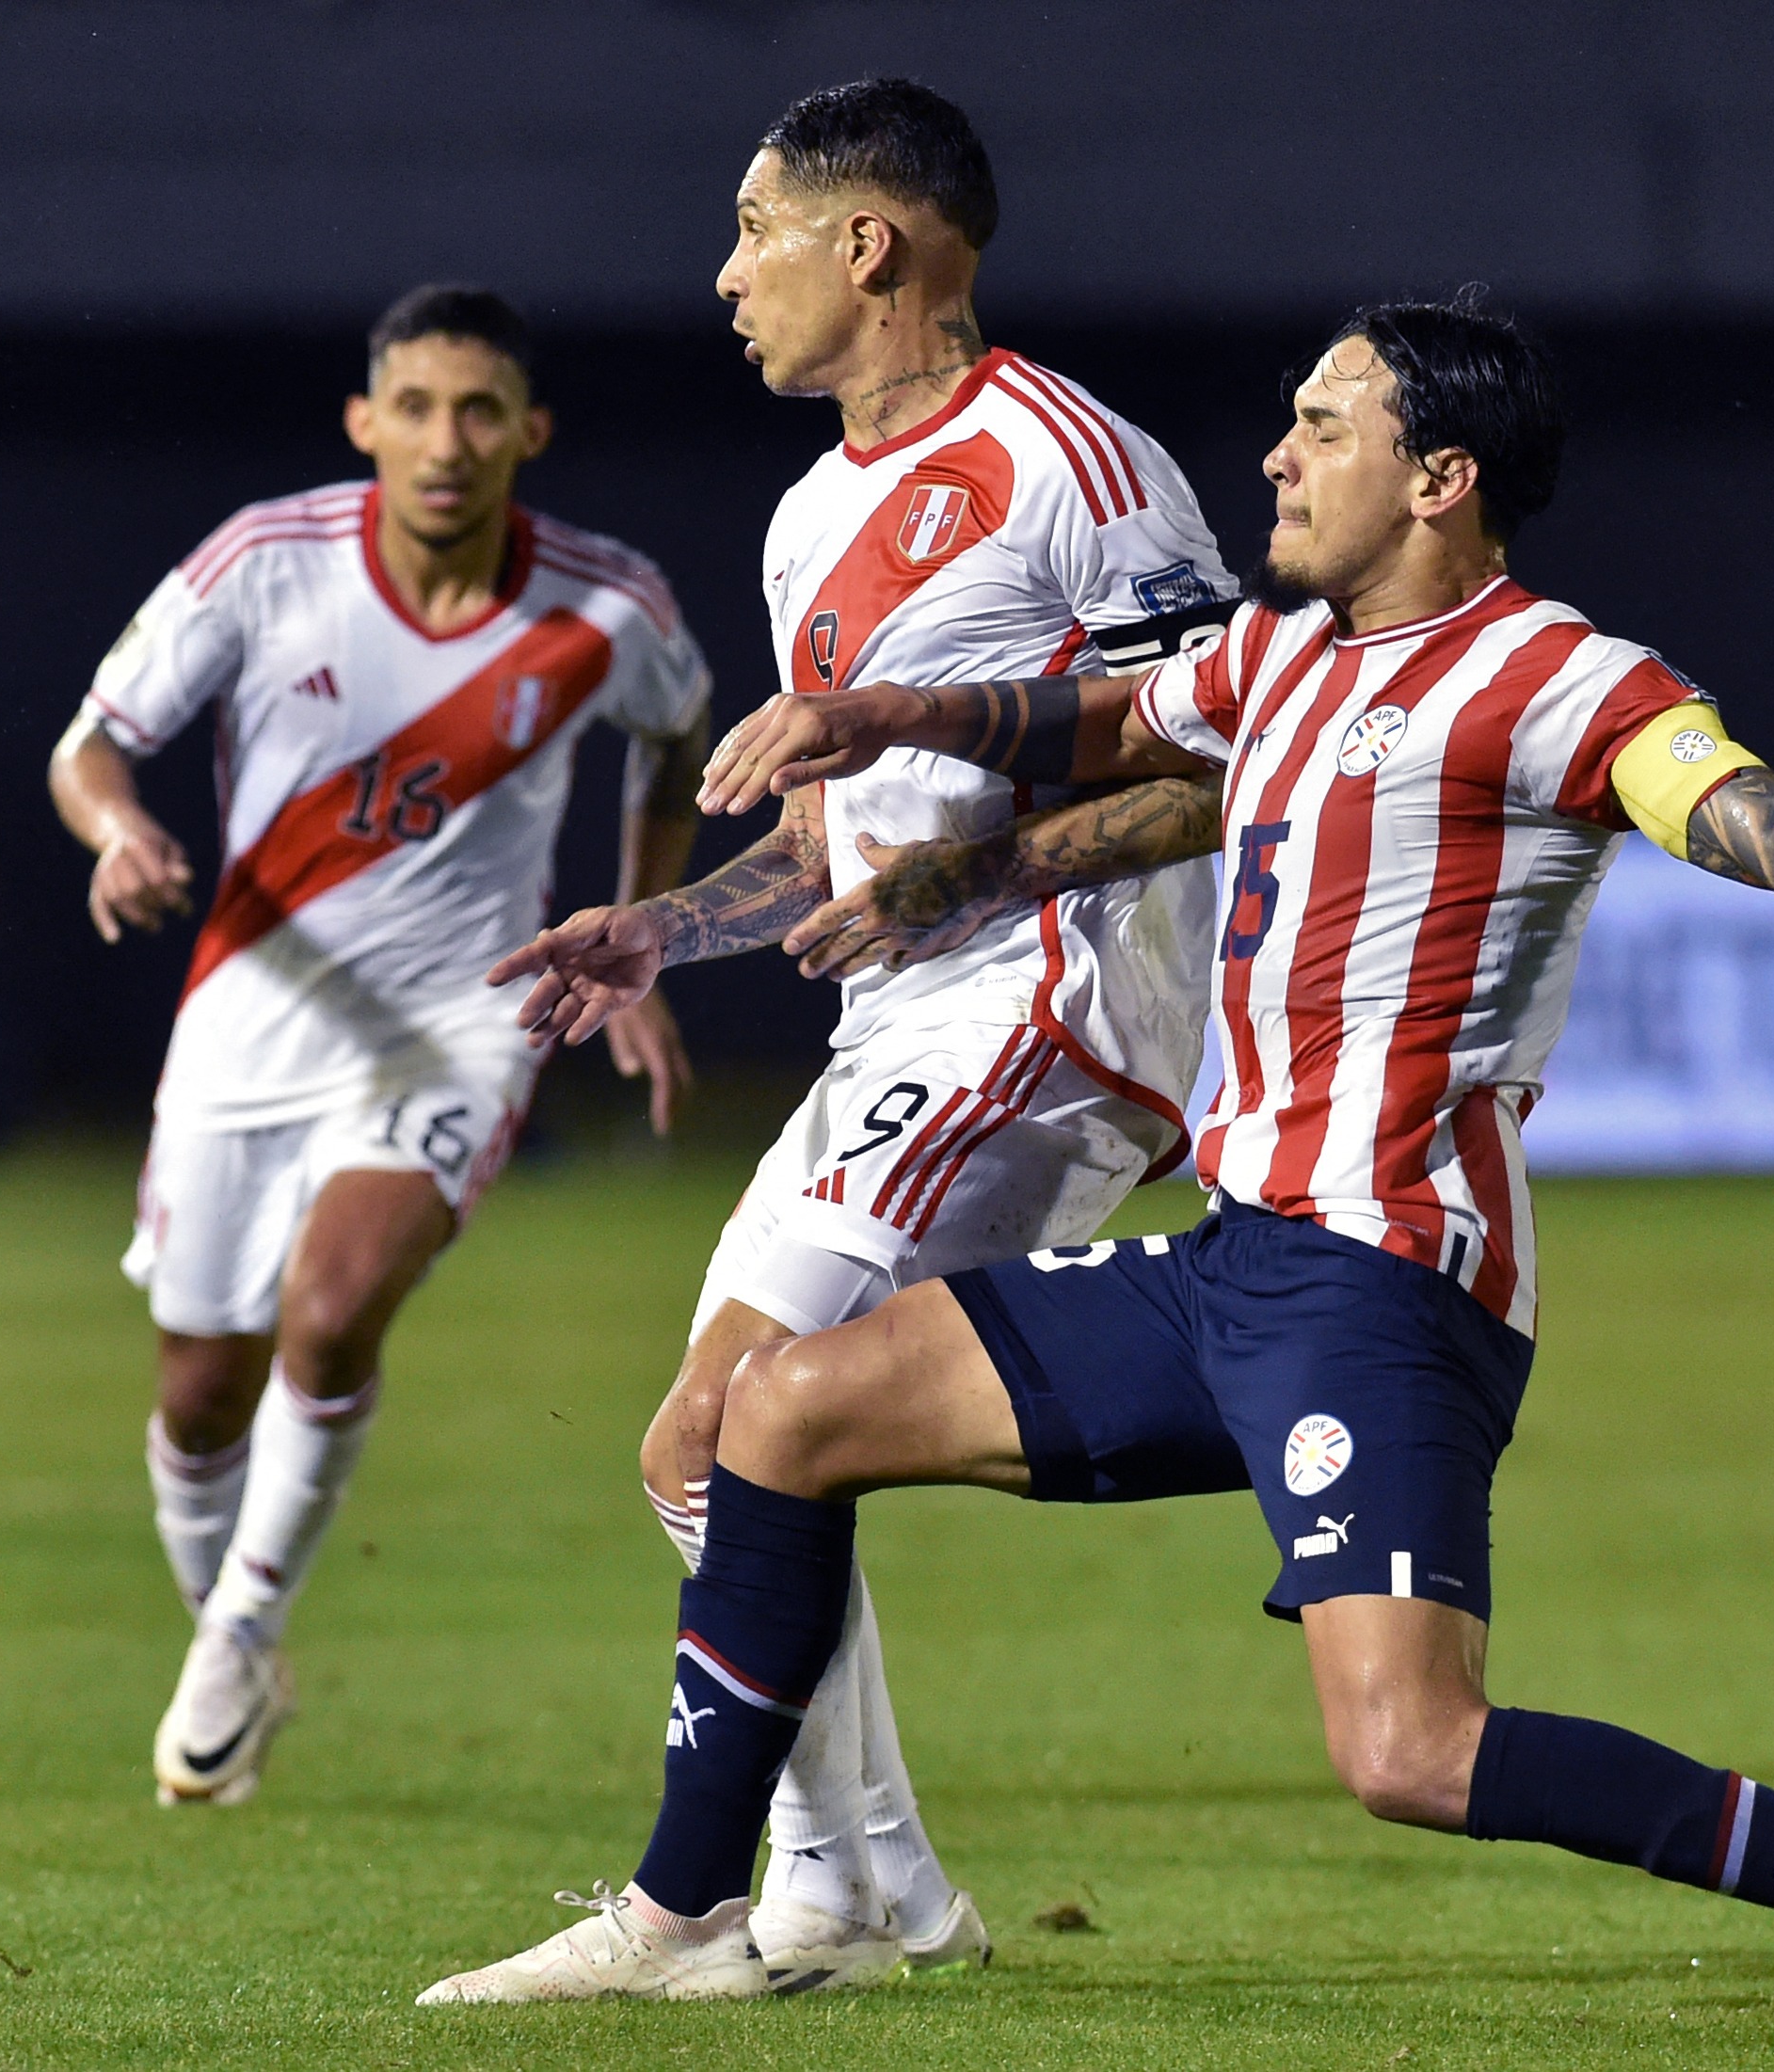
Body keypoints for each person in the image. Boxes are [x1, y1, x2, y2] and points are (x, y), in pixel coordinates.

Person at [422, 296, 1774, 2013]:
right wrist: (875, 718)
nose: (1279, 450)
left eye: (1326, 424)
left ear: (1439, 477)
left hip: (1383, 1286)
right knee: (773, 1415)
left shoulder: (1556, 678)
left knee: (1408, 1749)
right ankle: (682, 1912)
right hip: (1228, 1264)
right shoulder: (1281, 657)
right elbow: (1092, 722)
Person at [486, 78, 1237, 1988]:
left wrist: (969, 887)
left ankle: (765, 1901)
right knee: (712, 1452)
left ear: (868, 244)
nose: (726, 273)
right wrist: (663, 926)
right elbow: (832, 834)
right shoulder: (814, 512)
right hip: (908, 1013)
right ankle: (865, 1891)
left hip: (1046, 1001)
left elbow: (1228, 759)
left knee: (727, 1427)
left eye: (755, 230)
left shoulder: (1075, 462)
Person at [48, 285, 711, 1807]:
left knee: (332, 1314)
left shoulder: (610, 607)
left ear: (529, 433)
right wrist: (120, 830)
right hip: (247, 1015)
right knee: (201, 1389)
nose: (445, 441)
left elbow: (678, 736)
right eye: (413, 406)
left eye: (480, 410)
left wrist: (646, 926)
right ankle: (230, 1627)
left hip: (456, 1026)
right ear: (363, 422)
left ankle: (241, 1630)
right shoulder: (264, 564)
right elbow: (87, 746)